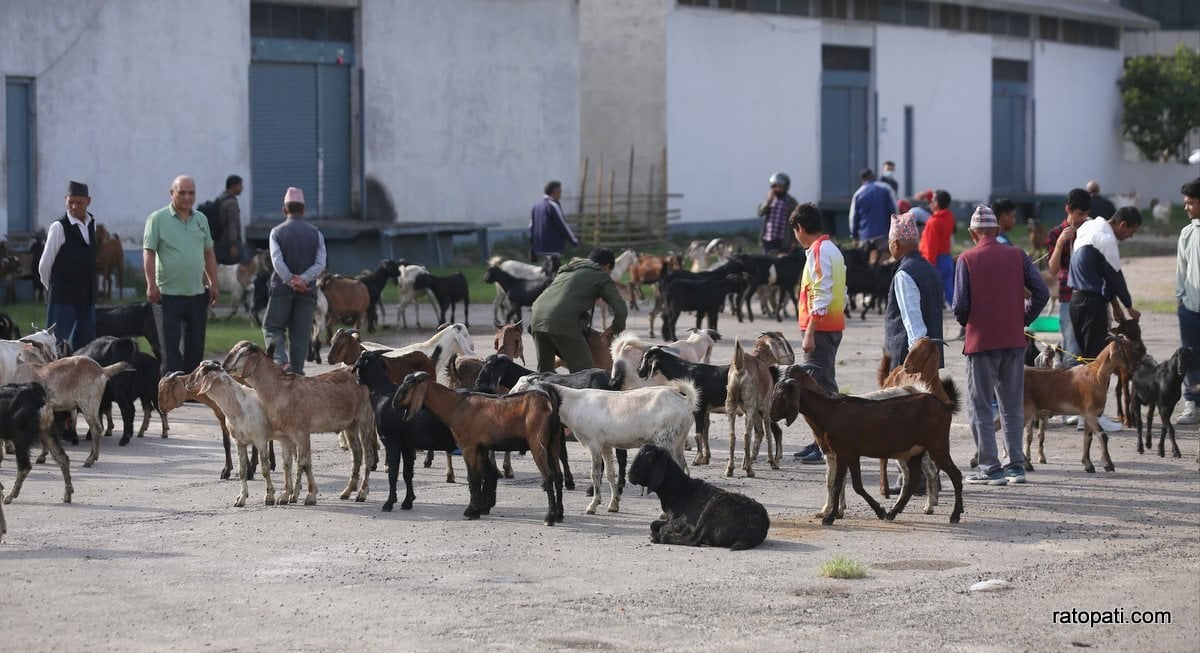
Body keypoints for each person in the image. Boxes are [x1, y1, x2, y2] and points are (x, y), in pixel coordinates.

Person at [953, 206, 1049, 486]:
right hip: (1014, 341)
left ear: (972, 234)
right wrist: (1023, 318)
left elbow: (960, 305)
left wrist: (969, 321)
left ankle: (991, 468)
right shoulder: (1017, 255)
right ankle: (1015, 466)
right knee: (1011, 406)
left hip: (981, 343)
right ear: (997, 231)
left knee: (981, 405)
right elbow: (1041, 292)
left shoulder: (966, 259)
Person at [1068, 207, 1142, 432]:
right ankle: (1091, 416)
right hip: (1092, 305)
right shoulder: (1107, 240)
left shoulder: (1088, 228)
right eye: (1131, 231)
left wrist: (1115, 305)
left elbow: (1097, 273)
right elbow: (1115, 278)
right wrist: (1129, 306)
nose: (1130, 236)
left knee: (1083, 358)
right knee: (1097, 362)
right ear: (1122, 224)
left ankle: (1082, 412)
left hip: (1075, 301)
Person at [143, 175, 220, 374]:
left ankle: (192, 390)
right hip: (167, 293)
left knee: (195, 345)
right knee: (170, 347)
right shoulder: (157, 219)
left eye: (191, 193)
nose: (187, 197)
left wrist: (213, 283)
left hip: (196, 292)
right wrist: (151, 283)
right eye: (182, 192)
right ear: (172, 194)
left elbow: (208, 252)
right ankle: (173, 389)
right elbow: (149, 252)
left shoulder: (201, 219)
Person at [790, 202, 846, 465]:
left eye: (795, 231)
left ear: (800, 228)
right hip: (830, 327)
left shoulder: (819, 251)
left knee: (812, 390)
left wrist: (810, 332)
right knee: (825, 386)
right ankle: (826, 439)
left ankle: (826, 442)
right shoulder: (831, 248)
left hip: (821, 329)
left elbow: (822, 294)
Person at [529, 248, 626, 373]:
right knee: (588, 375)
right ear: (607, 267)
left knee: (545, 373)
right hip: (563, 322)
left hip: (536, 318)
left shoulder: (567, 271)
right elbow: (621, 311)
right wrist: (613, 330)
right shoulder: (601, 276)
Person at [263, 187, 326, 375]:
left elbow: (277, 261)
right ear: (303, 210)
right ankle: (297, 373)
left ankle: (282, 362)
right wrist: (303, 279)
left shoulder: (276, 232)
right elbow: (321, 263)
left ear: (284, 210)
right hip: (307, 291)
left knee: (273, 326)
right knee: (301, 334)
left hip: (282, 290)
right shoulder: (316, 233)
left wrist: (290, 280)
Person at [37, 180, 98, 352]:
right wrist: (53, 288)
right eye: (71, 202)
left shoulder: (91, 224)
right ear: (66, 200)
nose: (74, 206)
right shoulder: (59, 227)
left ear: (88, 201)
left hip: (86, 296)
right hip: (63, 298)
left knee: (86, 344)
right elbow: (44, 264)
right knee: (55, 343)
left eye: (79, 202)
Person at [884, 211, 944, 371]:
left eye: (889, 243)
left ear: (895, 243)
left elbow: (912, 317)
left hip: (911, 358)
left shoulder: (905, 273)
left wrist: (917, 354)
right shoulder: (931, 269)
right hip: (931, 354)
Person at [1046, 188, 1091, 368]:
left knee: (1091, 351)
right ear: (1068, 210)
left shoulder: (1090, 230)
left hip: (1090, 297)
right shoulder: (1056, 233)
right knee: (1071, 350)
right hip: (1068, 297)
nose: (1083, 218)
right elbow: (1052, 269)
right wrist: (1059, 244)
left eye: (1086, 214)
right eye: (1079, 214)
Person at [1175, 177, 1200, 424]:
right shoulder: (1186, 233)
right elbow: (1181, 271)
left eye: (1190, 203)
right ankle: (1192, 405)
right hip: (1190, 309)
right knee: (1190, 358)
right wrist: (1180, 300)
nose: (1186, 207)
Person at [530, 180, 578, 274]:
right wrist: (574, 241)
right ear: (554, 192)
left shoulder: (536, 206)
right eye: (559, 192)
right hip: (553, 248)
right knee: (554, 275)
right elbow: (562, 225)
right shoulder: (553, 205)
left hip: (540, 248)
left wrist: (533, 242)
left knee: (546, 273)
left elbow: (531, 226)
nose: (560, 195)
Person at [919, 189, 956, 306]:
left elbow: (931, 246)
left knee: (929, 293)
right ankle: (965, 318)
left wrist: (929, 266)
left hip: (935, 260)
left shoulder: (933, 222)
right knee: (950, 292)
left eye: (932, 200)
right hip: (946, 259)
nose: (930, 202)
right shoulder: (949, 217)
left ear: (937, 203)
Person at [848, 168, 896, 248]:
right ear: (873, 176)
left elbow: (853, 218)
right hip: (885, 234)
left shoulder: (858, 194)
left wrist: (854, 236)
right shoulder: (886, 188)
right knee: (886, 259)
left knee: (866, 259)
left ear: (862, 179)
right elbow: (894, 211)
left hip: (865, 236)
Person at [757, 172, 798, 254]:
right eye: (774, 186)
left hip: (783, 240)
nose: (777, 189)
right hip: (768, 238)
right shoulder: (770, 200)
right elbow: (760, 213)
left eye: (780, 187)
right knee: (767, 262)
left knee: (781, 263)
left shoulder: (791, 202)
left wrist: (794, 241)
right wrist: (768, 201)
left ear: (785, 187)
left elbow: (795, 223)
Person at [211, 174, 244, 265]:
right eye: (240, 185)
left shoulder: (221, 198)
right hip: (228, 244)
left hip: (219, 242)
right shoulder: (231, 203)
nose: (242, 188)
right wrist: (234, 245)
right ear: (233, 186)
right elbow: (233, 224)